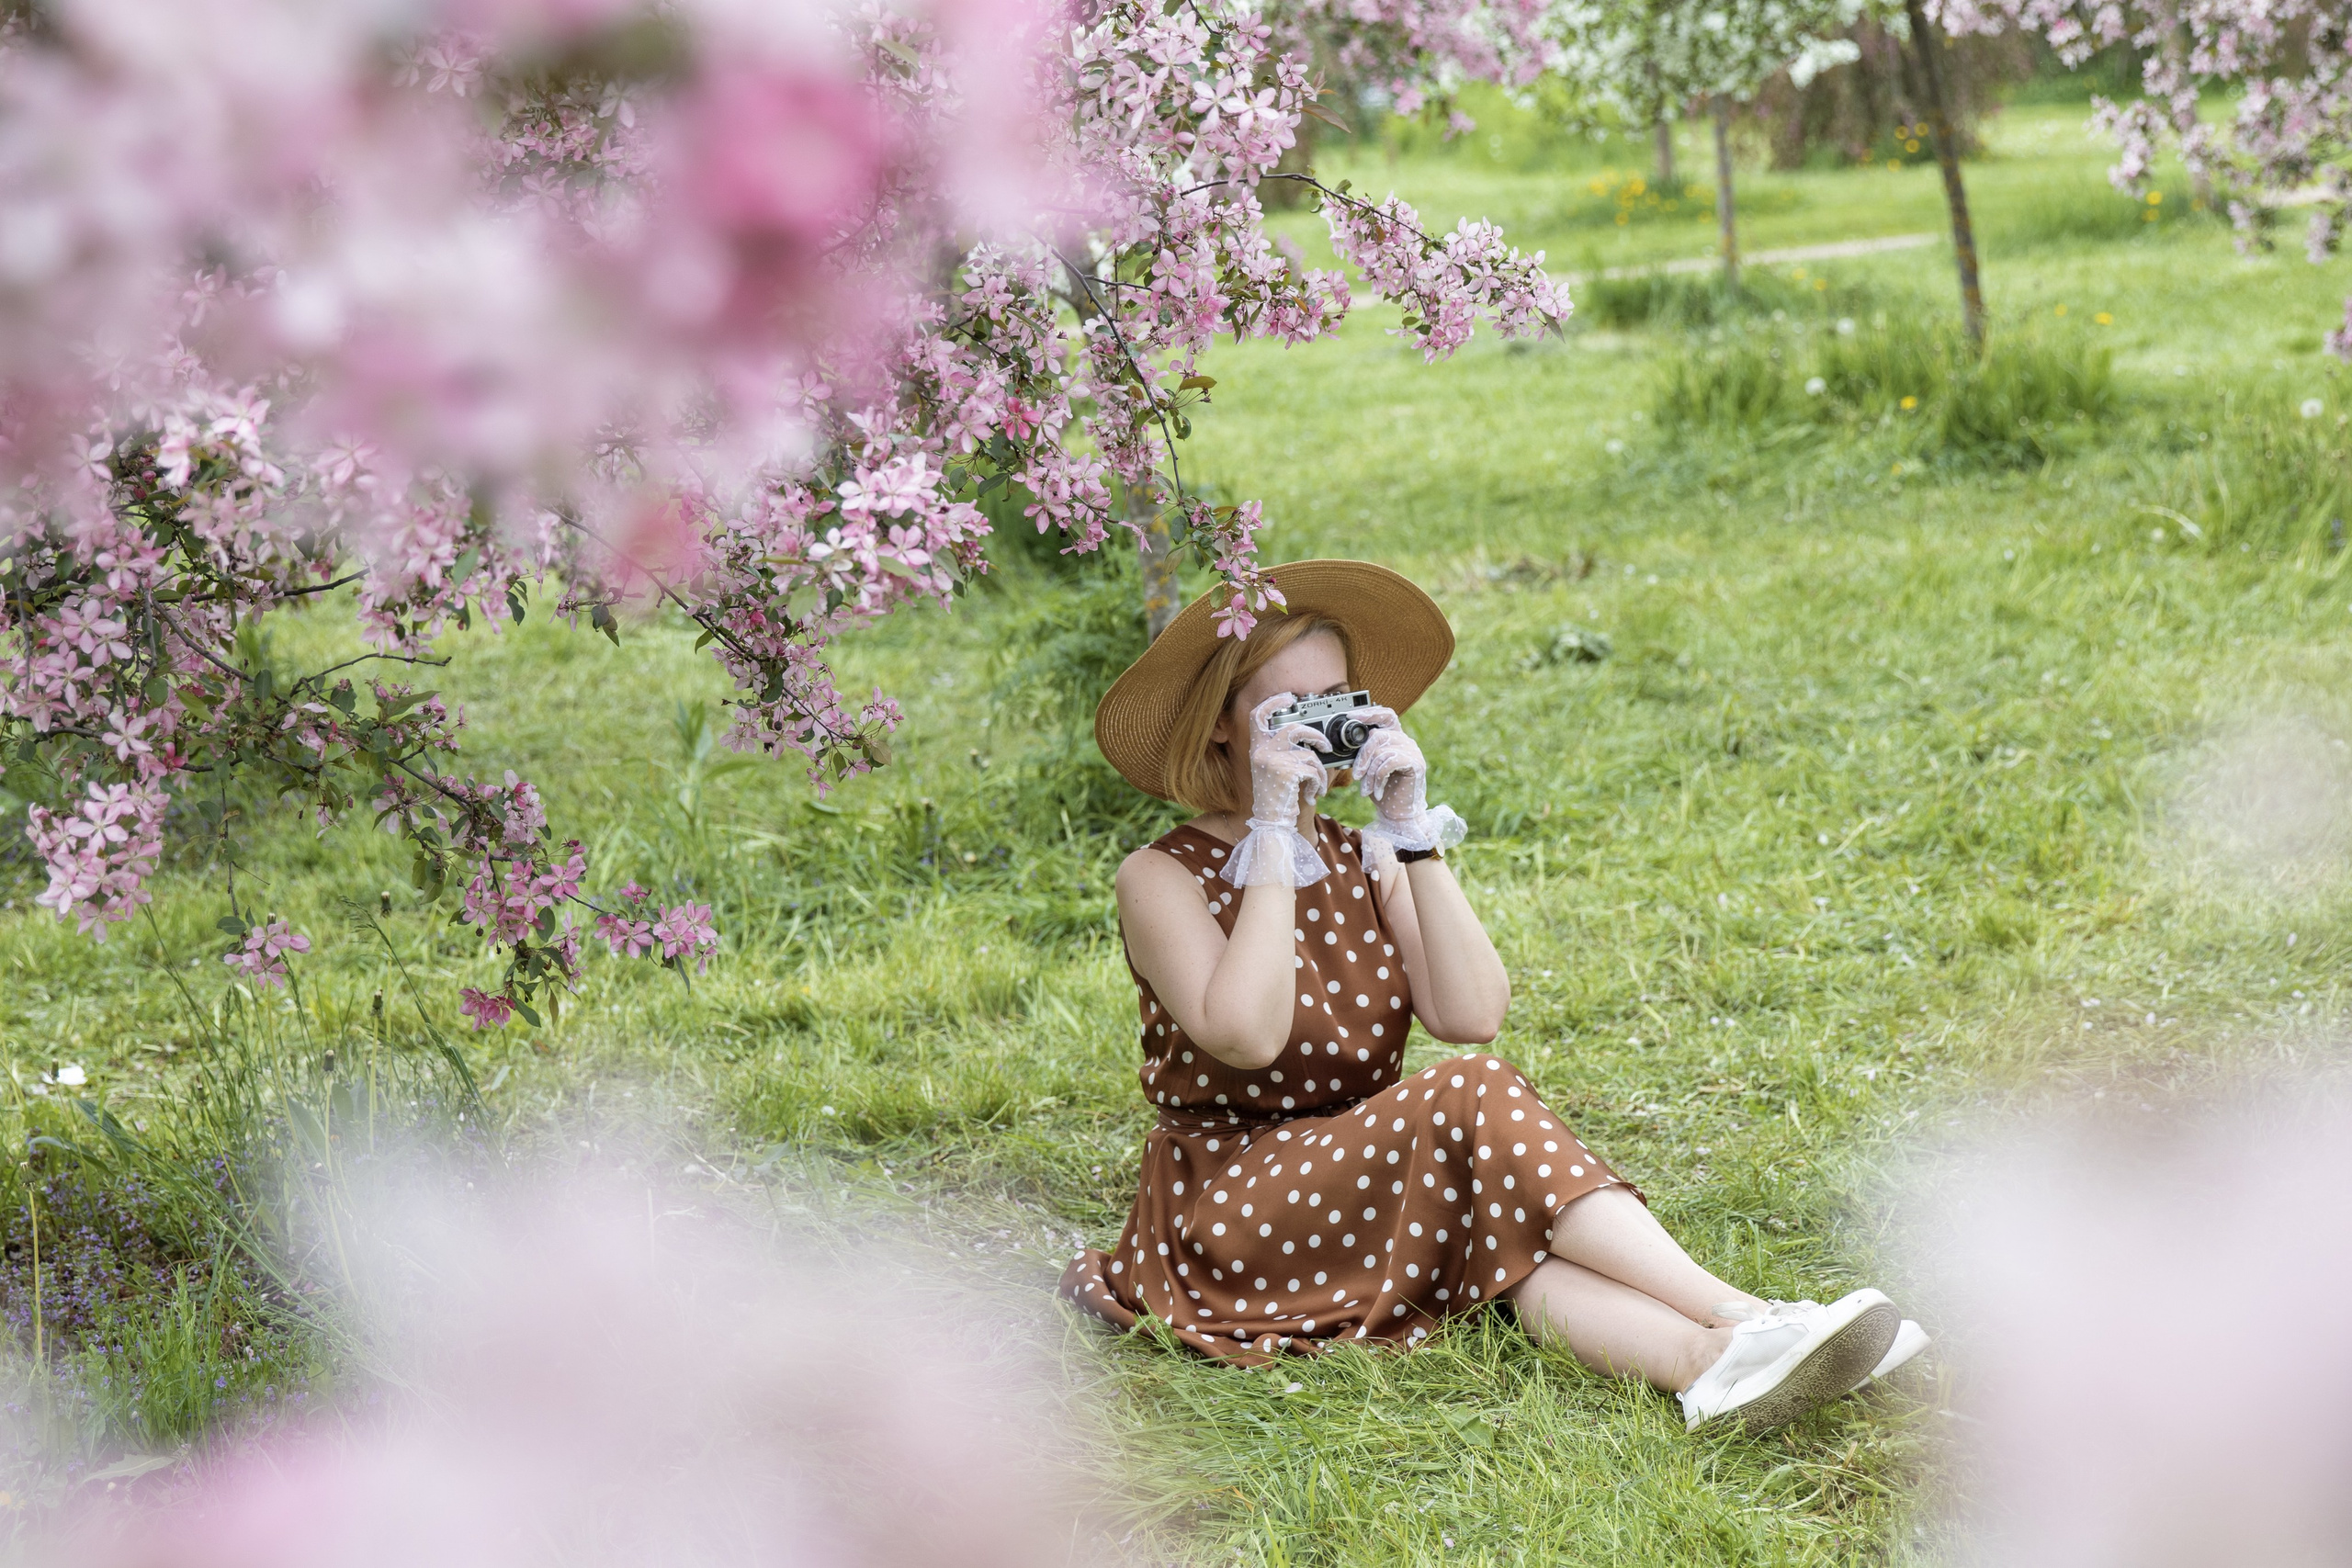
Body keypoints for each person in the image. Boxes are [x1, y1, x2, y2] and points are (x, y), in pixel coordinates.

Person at [1059, 559, 1928, 1432]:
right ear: (1221, 726)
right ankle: (1746, 1312)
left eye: (1337, 702)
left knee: (1515, 1245)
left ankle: (1710, 1368)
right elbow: (1245, 1035)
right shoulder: (1160, 875)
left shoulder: (1367, 856)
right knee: (1473, 1089)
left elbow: (1470, 1012)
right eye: (1287, 713)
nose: (1317, 732)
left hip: (1365, 1173)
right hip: (1233, 1207)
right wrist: (1275, 829)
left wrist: (1408, 833)